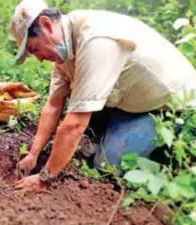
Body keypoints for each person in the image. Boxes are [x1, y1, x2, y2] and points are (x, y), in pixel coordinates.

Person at [11, 0, 196, 193]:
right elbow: (53, 105)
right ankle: (110, 138)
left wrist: (44, 178)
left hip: (167, 106)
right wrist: (33, 155)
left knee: (107, 167)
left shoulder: (95, 40)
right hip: (130, 98)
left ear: (47, 25)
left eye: (34, 49)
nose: (39, 58)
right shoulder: (63, 50)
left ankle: (156, 154)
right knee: (77, 106)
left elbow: (75, 124)